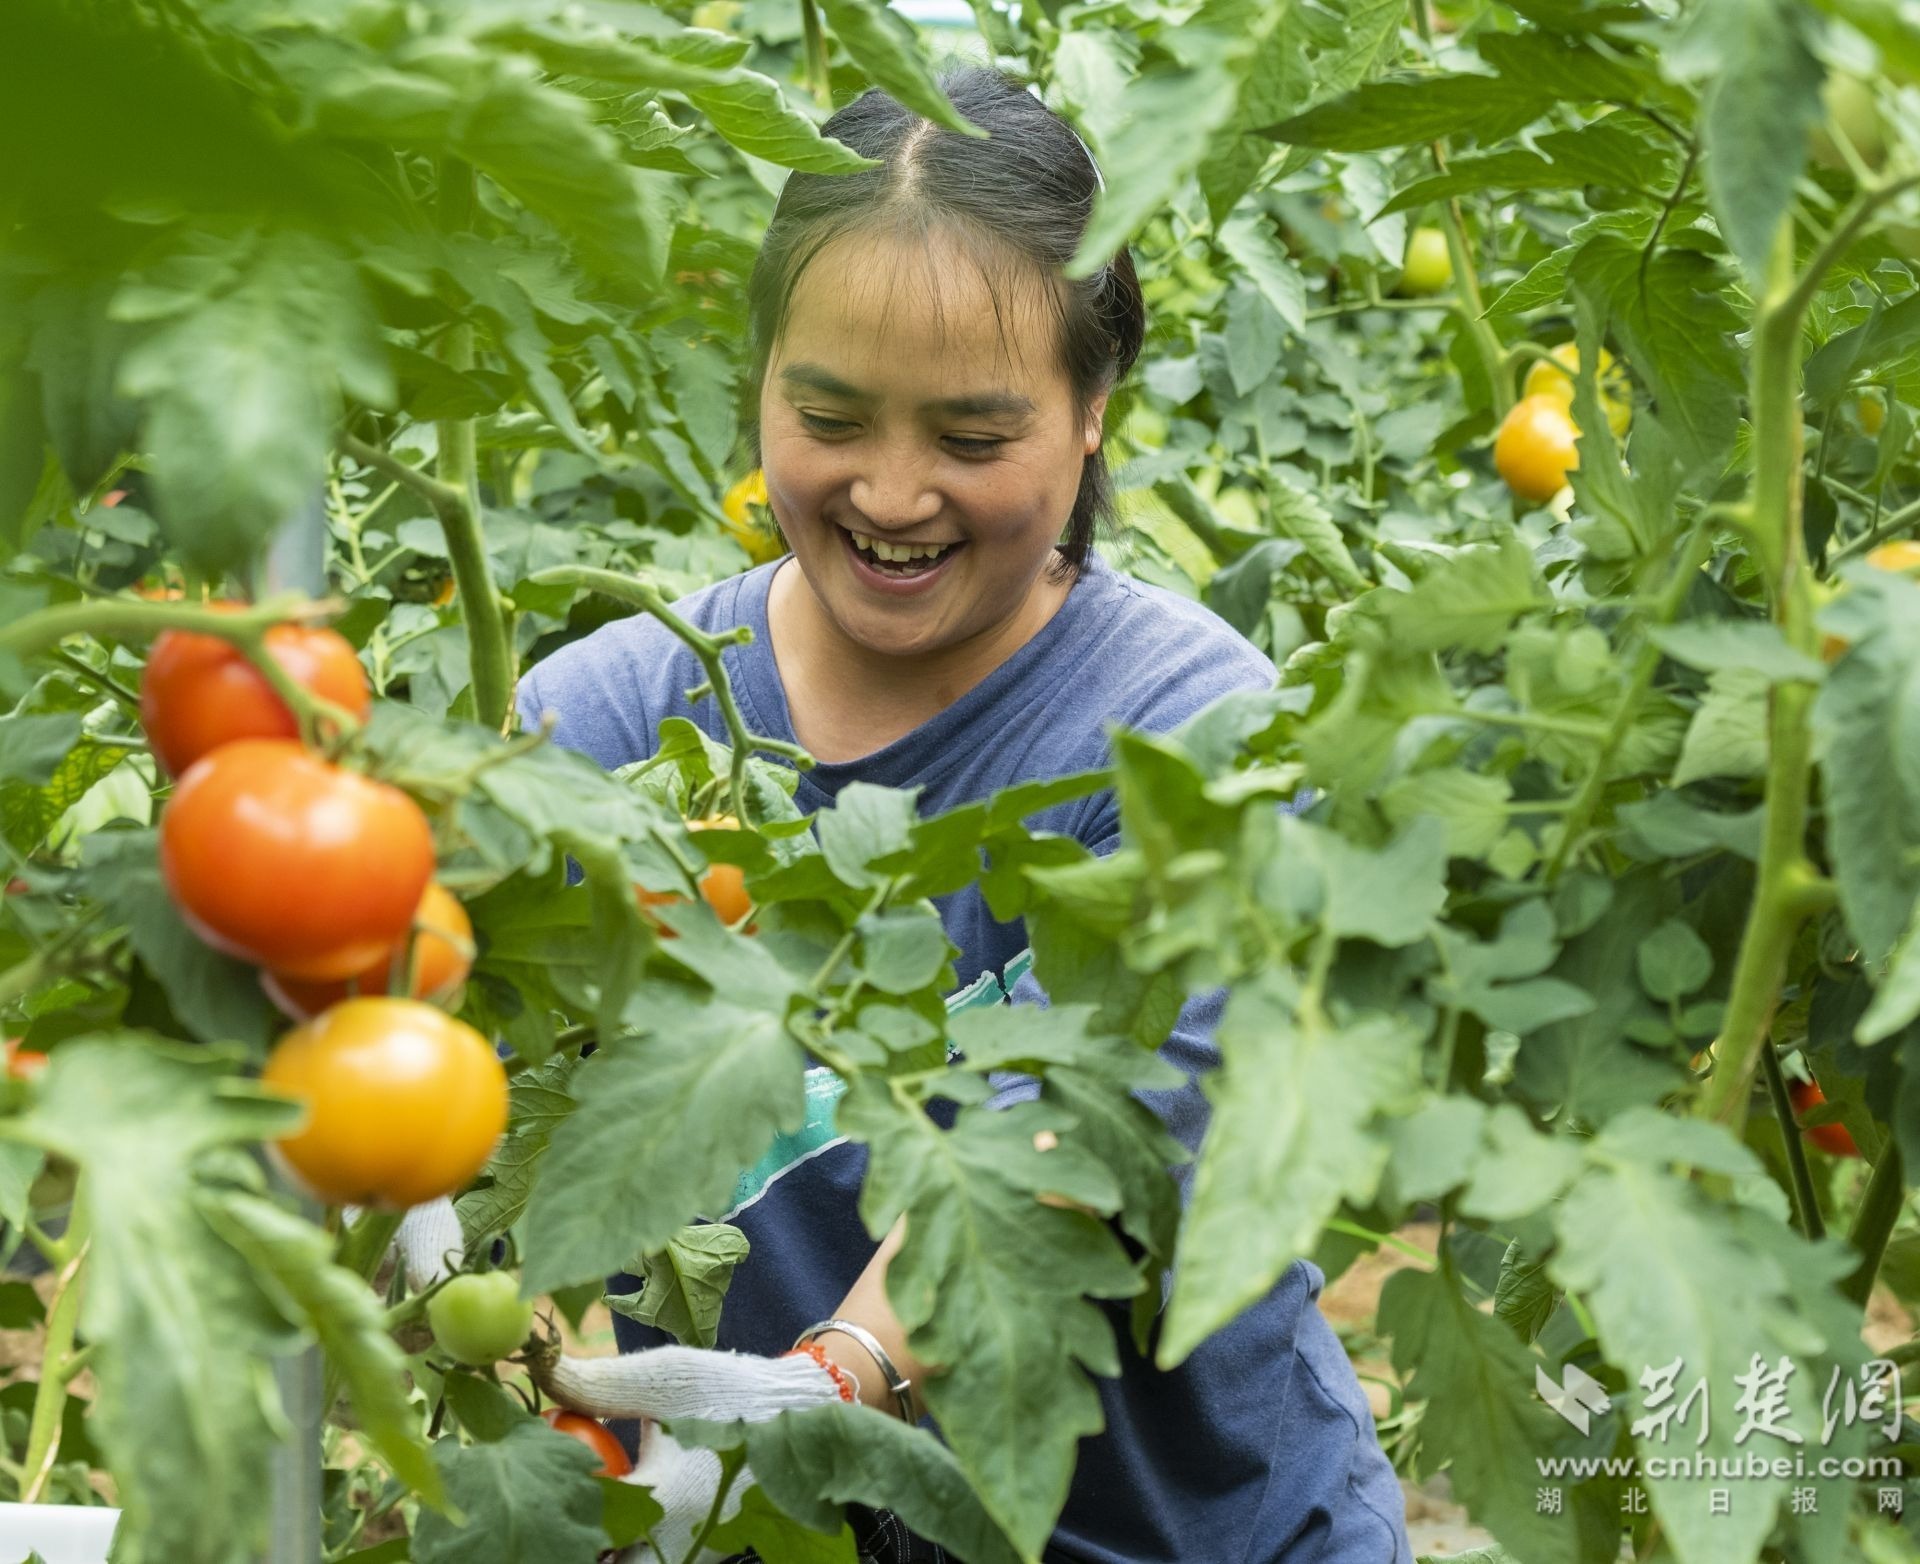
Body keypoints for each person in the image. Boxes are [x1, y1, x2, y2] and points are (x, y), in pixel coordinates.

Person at [514, 64, 1412, 1564]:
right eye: (830, 415)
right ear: (762, 387)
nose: (894, 491)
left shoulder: (1195, 737)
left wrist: (819, 1386)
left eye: (974, 440)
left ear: (1092, 416)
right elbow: (474, 1120)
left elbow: (1076, 1163)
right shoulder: (600, 726)